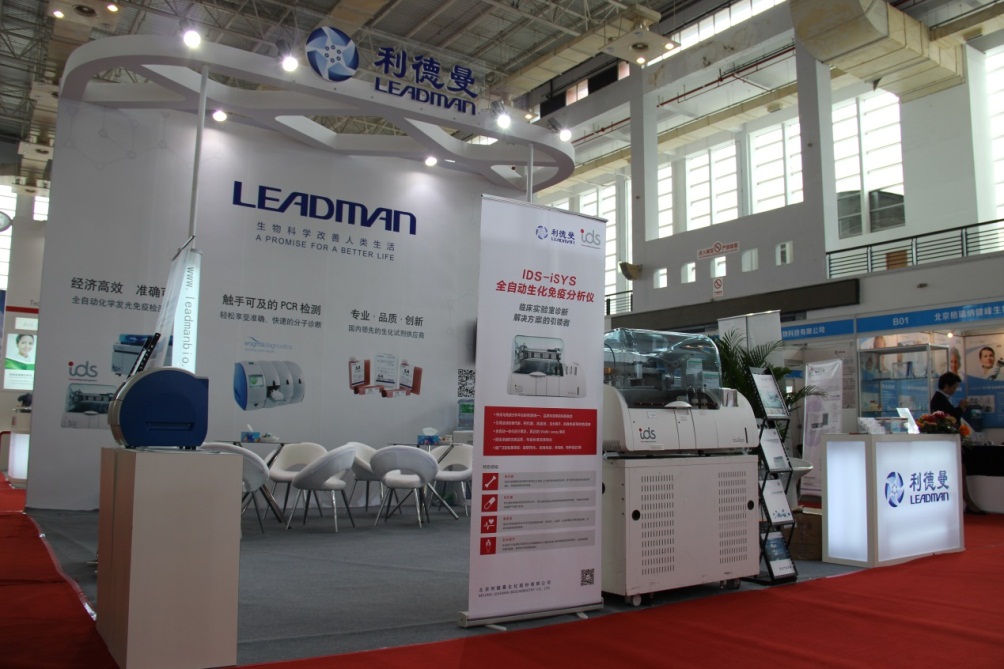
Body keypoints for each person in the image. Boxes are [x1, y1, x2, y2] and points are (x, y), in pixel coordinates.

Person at [930, 372, 984, 514]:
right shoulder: (938, 400)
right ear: (947, 386)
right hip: (946, 442)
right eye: (954, 387)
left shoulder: (943, 399)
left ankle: (967, 502)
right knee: (960, 471)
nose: (955, 390)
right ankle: (968, 503)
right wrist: (960, 408)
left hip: (952, 441)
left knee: (962, 470)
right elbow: (948, 419)